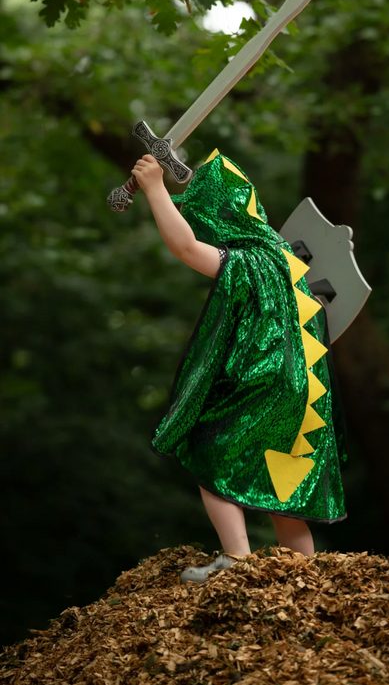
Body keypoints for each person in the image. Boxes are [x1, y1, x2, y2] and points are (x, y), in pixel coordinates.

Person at [131, 149, 348, 584]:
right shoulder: (285, 260)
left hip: (263, 380)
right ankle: (304, 578)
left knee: (208, 446)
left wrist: (155, 188)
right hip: (301, 390)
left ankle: (236, 558)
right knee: (282, 477)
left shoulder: (248, 260)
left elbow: (186, 247)